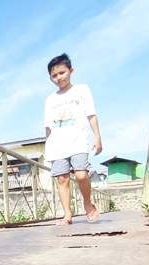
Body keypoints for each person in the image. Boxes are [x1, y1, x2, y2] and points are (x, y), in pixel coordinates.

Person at [44, 53, 102, 224]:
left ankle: (87, 203)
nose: (59, 78)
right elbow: (48, 126)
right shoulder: (50, 99)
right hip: (57, 145)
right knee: (62, 179)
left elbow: (91, 114)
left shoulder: (82, 90)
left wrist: (97, 137)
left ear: (71, 71)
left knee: (81, 175)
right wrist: (48, 148)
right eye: (54, 75)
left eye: (62, 73)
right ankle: (67, 214)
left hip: (78, 142)